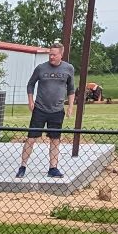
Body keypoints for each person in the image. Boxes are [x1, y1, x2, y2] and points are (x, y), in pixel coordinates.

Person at [17, 43, 77, 178]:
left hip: (57, 110)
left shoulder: (69, 68)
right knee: (31, 138)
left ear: (61, 55)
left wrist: (70, 107)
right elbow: (30, 84)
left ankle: (53, 168)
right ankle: (22, 166)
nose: (51, 57)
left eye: (54, 54)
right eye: (50, 54)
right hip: (40, 109)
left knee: (55, 139)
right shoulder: (40, 68)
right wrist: (30, 101)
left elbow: (71, 89)